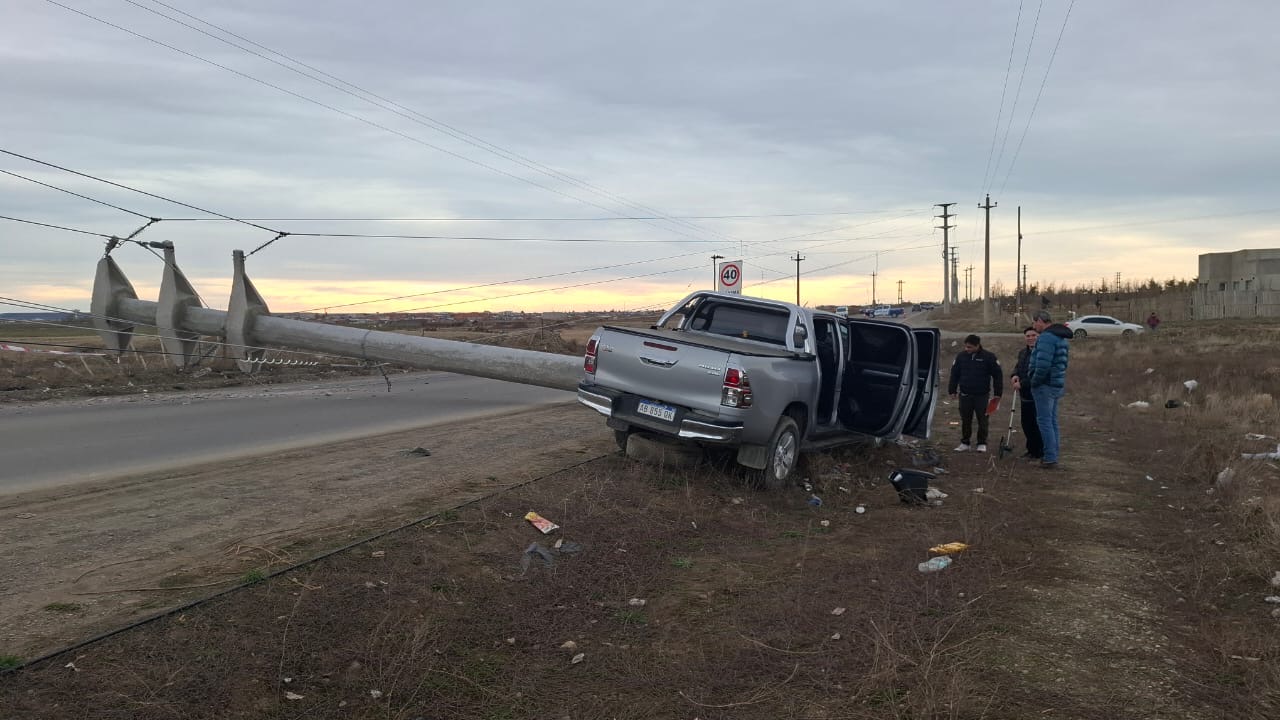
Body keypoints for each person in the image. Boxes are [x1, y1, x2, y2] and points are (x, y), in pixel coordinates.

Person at [1029, 310, 1072, 469]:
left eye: (1034, 322)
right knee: (1052, 421)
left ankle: (1049, 457)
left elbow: (1043, 364)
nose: (1033, 326)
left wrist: (1034, 381)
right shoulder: (1060, 337)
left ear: (1040, 321)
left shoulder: (1046, 338)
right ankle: (1053, 454)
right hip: (1056, 384)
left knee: (1044, 421)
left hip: (1044, 385)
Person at [947, 334, 1003, 453]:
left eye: (970, 347)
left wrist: (998, 393)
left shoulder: (989, 357)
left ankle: (981, 443)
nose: (967, 349)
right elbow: (954, 374)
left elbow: (997, 376)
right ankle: (965, 442)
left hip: (982, 395)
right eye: (966, 346)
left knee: (983, 420)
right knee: (965, 419)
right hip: (965, 394)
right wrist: (952, 390)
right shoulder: (961, 356)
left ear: (977, 345)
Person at [1010, 326, 1044, 460]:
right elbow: (1018, 367)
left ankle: (1039, 452)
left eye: (1033, 335)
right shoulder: (1023, 352)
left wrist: (1022, 383)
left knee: (1037, 424)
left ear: (1039, 336)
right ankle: (1031, 450)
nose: (1030, 338)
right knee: (1026, 424)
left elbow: (1038, 374)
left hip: (1037, 394)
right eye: (1028, 336)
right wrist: (1014, 375)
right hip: (1024, 395)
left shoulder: (1041, 353)